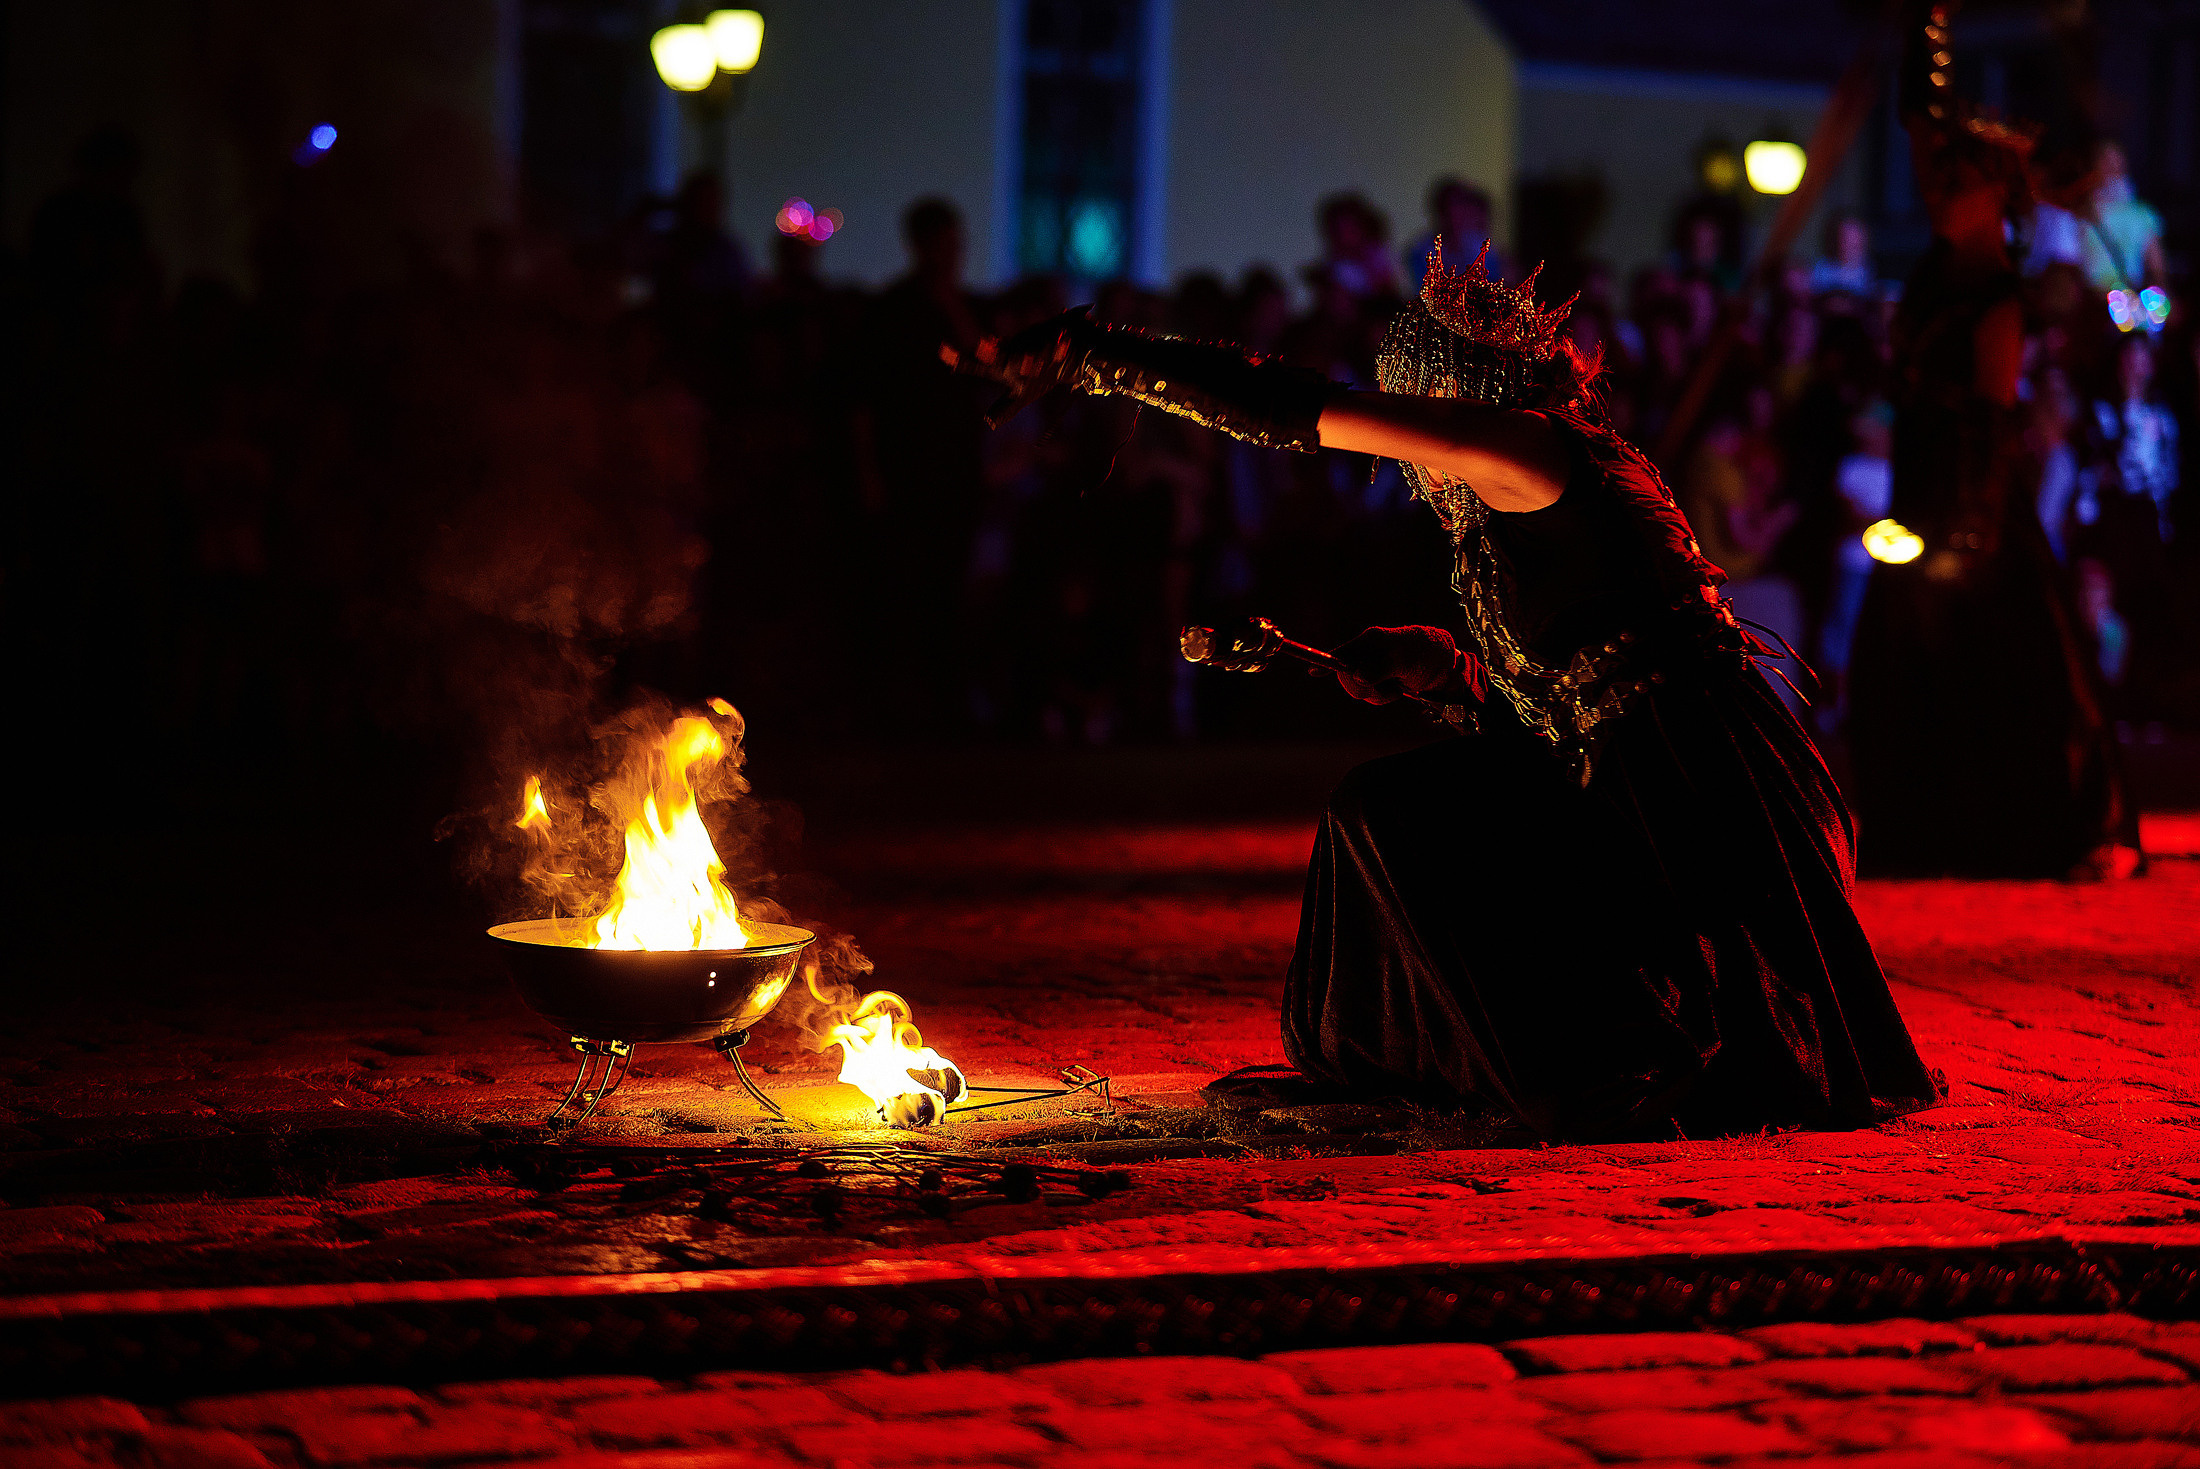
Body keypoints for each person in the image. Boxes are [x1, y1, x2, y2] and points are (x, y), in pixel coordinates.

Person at [948, 240, 1942, 1141]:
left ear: (1448, 388)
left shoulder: (1530, 448)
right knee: (1389, 802)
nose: (1402, 440)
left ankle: (1606, 1069)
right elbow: (1564, 696)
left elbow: (1290, 408)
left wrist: (1098, 358)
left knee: (1401, 809)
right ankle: (1468, 1053)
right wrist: (1449, 672)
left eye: (1407, 398)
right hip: (1627, 773)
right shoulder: (1517, 493)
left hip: (1693, 795)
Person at [1845, 1, 2140, 880]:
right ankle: (1919, 830)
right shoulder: (1936, 270)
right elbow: (1920, 121)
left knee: (1995, 665)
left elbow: (1990, 424)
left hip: (1971, 506)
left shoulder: (1998, 300)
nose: (1938, 190)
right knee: (1903, 662)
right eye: (1939, 178)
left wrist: (1959, 542)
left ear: (1998, 195)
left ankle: (2015, 831)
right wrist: (1926, 23)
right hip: (1917, 483)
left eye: (1958, 181)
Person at [1406, 178, 1505, 295]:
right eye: (1450, 207)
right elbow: (1420, 289)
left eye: (1460, 207)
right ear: (1439, 211)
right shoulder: (1420, 251)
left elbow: (1493, 283)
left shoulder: (1482, 249)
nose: (1455, 214)